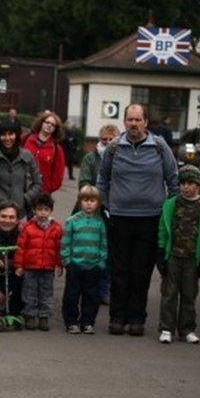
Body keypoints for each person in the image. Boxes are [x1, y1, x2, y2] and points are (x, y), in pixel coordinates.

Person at [97, 103, 179, 336]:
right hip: (119, 218)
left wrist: (170, 212)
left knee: (141, 272)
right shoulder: (113, 148)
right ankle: (117, 317)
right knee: (120, 271)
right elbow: (102, 180)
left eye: (137, 120)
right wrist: (104, 206)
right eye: (129, 120)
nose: (133, 124)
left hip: (150, 218)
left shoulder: (159, 147)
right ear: (124, 122)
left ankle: (136, 319)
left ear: (145, 122)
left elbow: (173, 180)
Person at [156, 165, 200, 344]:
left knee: (189, 294)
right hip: (173, 255)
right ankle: (166, 328)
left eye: (190, 183)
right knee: (169, 294)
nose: (186, 187)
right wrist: (160, 251)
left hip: (192, 258)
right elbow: (163, 229)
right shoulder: (171, 204)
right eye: (182, 183)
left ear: (198, 185)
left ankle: (187, 329)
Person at [78, 124, 118, 304]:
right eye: (104, 139)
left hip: (115, 210)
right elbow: (84, 182)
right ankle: (87, 288)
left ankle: (104, 290)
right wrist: (95, 201)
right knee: (89, 250)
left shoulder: (122, 158)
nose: (108, 143)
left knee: (108, 253)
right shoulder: (89, 158)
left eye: (112, 140)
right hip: (92, 209)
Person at [61, 186, 108, 334]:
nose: (89, 204)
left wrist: (101, 261)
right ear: (79, 202)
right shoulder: (72, 221)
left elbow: (103, 244)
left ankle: (87, 322)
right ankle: (71, 321)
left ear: (98, 203)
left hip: (93, 266)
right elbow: (65, 242)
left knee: (92, 296)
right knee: (71, 295)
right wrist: (66, 260)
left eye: (92, 201)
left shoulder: (100, 223)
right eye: (85, 200)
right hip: (75, 264)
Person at [14, 193, 62, 331]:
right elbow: (21, 248)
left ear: (51, 211)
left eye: (46, 209)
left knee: (46, 293)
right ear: (34, 210)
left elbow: (59, 248)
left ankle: (44, 316)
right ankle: (30, 315)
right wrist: (19, 266)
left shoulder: (56, 228)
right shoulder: (28, 228)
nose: (43, 213)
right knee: (29, 292)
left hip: (48, 268)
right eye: (40, 209)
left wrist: (59, 264)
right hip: (30, 267)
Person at [22, 111, 66, 195]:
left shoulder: (57, 149)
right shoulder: (26, 139)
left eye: (53, 125)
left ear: (55, 129)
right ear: (41, 123)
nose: (49, 125)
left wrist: (47, 190)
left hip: (41, 193)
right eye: (47, 122)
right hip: (21, 189)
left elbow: (58, 176)